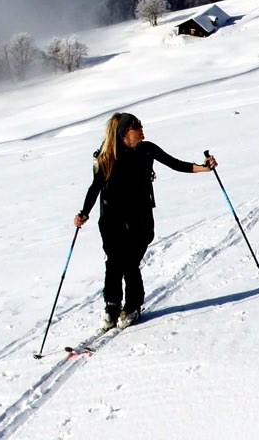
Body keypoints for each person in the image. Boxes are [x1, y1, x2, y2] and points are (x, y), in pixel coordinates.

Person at [73, 112, 214, 330]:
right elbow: (96, 186)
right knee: (114, 261)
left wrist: (205, 167)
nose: (141, 127)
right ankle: (112, 306)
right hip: (112, 218)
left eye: (139, 124)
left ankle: (132, 305)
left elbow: (176, 164)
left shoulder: (147, 149)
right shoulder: (108, 155)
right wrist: (84, 213)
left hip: (140, 217)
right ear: (124, 132)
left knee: (129, 262)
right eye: (135, 125)